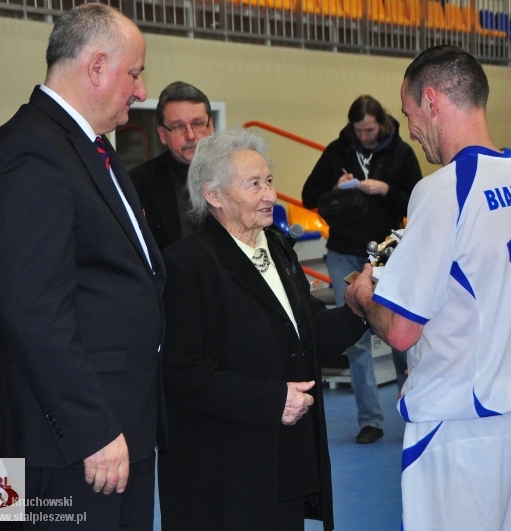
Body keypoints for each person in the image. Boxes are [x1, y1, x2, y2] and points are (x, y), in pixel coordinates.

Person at [345, 45, 511, 530]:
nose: (411, 128)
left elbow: (400, 332)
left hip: (456, 426)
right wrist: (501, 348)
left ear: (432, 101)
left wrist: (363, 298)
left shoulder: (444, 190)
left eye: (409, 113)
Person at [0, 4, 166, 529]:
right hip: (73, 442)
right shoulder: (29, 152)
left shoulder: (88, 148)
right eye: (135, 73)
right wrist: (92, 429)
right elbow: (34, 312)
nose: (141, 91)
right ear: (97, 67)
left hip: (118, 425)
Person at [156, 128, 368, 530]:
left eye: (269, 180)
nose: (269, 194)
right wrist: (272, 400)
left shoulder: (277, 249)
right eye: (254, 184)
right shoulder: (186, 265)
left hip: (283, 462)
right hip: (223, 469)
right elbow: (181, 372)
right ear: (213, 195)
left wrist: (358, 310)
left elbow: (311, 333)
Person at [302, 95, 422, 444]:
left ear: (381, 124)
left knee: (399, 332)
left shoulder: (401, 153)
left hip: (387, 255)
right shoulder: (337, 150)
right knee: (353, 338)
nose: (365, 136)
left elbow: (417, 201)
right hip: (343, 250)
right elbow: (309, 195)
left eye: (370, 130)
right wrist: (335, 188)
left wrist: (386, 189)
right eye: (359, 130)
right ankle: (370, 420)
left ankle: (411, 408)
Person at [130, 81, 214, 250]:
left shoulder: (237, 174)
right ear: (162, 134)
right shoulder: (137, 183)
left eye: (198, 124)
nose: (191, 135)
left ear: (211, 127)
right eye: (178, 127)